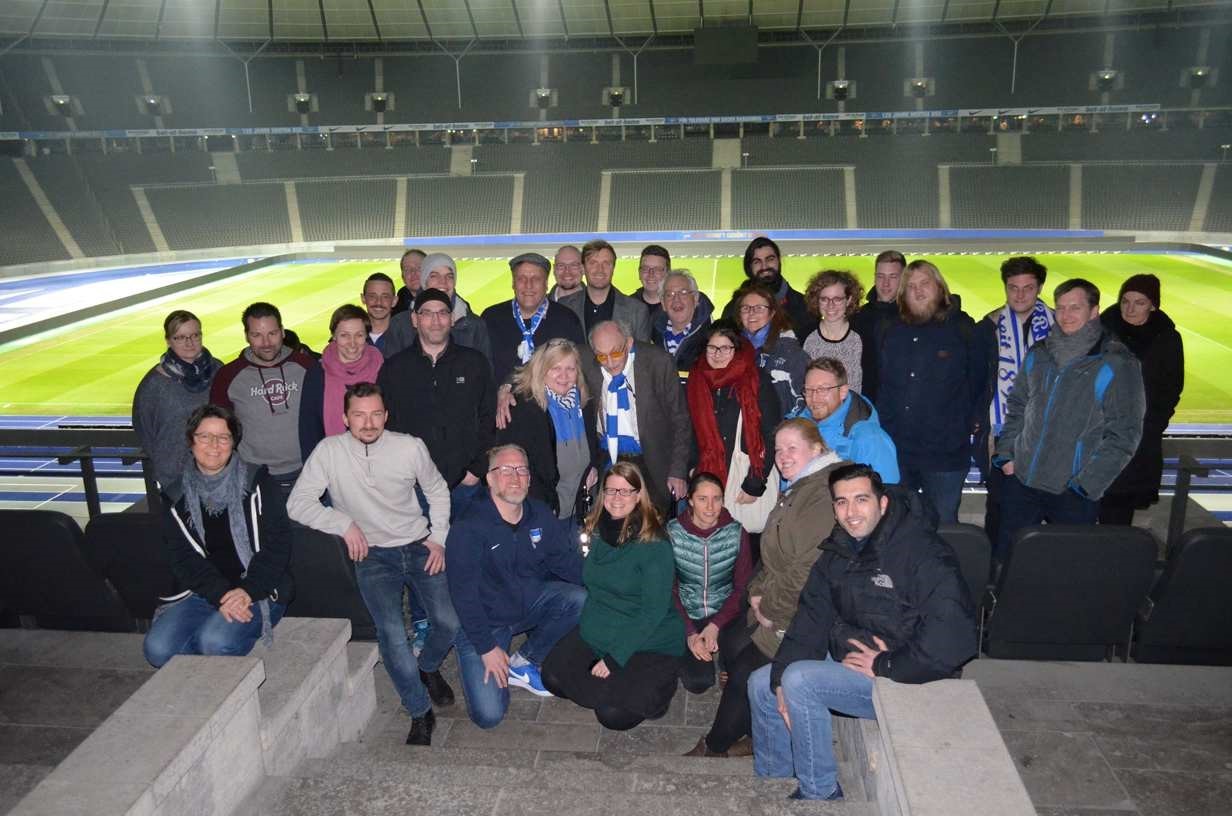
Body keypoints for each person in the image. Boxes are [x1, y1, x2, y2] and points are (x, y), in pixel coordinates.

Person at [747, 464, 977, 801]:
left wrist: (887, 665)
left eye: (860, 500)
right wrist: (779, 680)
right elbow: (810, 620)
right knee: (764, 684)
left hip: (910, 676)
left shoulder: (922, 552)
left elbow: (953, 634)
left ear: (882, 503)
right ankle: (774, 783)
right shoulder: (838, 551)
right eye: (841, 502)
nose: (851, 512)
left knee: (801, 681)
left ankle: (819, 794)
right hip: (855, 662)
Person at [287, 382, 458, 746]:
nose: (368, 423)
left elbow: (438, 490)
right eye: (359, 415)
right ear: (345, 418)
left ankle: (426, 668)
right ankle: (418, 710)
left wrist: (439, 538)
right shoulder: (328, 451)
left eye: (376, 414)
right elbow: (297, 502)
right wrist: (343, 523)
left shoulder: (410, 447)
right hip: (373, 554)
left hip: (417, 544)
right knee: (393, 636)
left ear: (386, 415)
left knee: (449, 623)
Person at [686, 419, 844, 758]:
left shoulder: (821, 493)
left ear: (817, 449)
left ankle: (715, 745)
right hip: (778, 597)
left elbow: (808, 568)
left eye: (792, 448)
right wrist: (755, 593)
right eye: (778, 450)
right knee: (731, 639)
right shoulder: (800, 486)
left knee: (745, 670)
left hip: (808, 611)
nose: (782, 457)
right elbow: (771, 553)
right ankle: (753, 719)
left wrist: (768, 607)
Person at [992, 279, 1145, 561]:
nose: (1066, 315)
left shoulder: (1117, 362)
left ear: (1095, 311)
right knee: (1008, 561)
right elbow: (1018, 405)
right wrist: (1007, 455)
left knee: (1065, 568)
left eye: (1075, 307)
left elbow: (1124, 434)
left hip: (1071, 491)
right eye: (1061, 307)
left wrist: (1085, 485)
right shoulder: (1040, 353)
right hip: (1022, 480)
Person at [445, 445, 587, 727]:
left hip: (526, 603)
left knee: (579, 598)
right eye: (505, 470)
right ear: (489, 478)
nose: (515, 477)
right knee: (490, 715)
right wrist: (486, 647)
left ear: (530, 478)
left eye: (522, 470)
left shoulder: (539, 513)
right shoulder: (469, 525)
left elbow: (567, 563)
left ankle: (525, 660)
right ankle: (489, 662)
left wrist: (612, 586)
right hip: (484, 623)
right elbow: (463, 594)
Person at [143, 405, 292, 668]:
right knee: (157, 649)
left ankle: (210, 665)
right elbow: (184, 559)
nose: (214, 445)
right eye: (204, 436)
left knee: (213, 641)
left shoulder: (258, 482)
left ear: (233, 443)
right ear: (191, 442)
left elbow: (278, 545)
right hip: (207, 591)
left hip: (261, 588)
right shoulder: (175, 496)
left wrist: (246, 591)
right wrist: (223, 595)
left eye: (223, 437)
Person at [541, 462, 683, 730]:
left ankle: (663, 683)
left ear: (639, 495)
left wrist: (615, 657)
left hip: (648, 638)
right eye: (610, 490)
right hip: (603, 628)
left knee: (613, 715)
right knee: (552, 678)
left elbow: (652, 612)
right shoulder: (596, 531)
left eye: (626, 491)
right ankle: (611, 680)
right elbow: (592, 584)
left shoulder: (655, 545)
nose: (617, 498)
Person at [875, 260, 987, 524]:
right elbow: (883, 383)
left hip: (946, 454)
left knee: (945, 525)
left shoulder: (963, 329)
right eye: (911, 286)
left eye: (925, 283)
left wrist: (965, 423)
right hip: (899, 451)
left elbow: (979, 383)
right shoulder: (890, 330)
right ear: (903, 294)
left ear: (939, 287)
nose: (918, 291)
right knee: (899, 524)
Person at [378, 289, 496, 516]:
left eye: (442, 313)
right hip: (413, 490)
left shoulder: (474, 363)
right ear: (415, 319)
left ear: (452, 319)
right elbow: (387, 425)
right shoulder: (395, 368)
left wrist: (476, 470)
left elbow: (489, 418)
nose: (435, 321)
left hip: (465, 488)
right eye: (427, 313)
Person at [978, 256, 1053, 546]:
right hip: (1001, 433)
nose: (1020, 295)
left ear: (1040, 287)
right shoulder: (989, 326)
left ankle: (1029, 565)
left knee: (1036, 506)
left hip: (1047, 435)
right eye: (1013, 288)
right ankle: (994, 568)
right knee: (998, 504)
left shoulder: (1060, 325)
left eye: (1028, 287)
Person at [1098, 274, 1184, 525]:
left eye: (1139, 302)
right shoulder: (1101, 330)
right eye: (1125, 301)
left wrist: (1150, 427)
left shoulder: (1166, 339)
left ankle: (1113, 562)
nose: (1130, 308)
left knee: (1119, 510)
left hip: (1138, 439)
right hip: (1097, 435)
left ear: (1153, 305)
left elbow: (1170, 389)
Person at [581, 320, 692, 513]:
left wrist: (678, 471)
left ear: (629, 343)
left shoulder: (658, 362)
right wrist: (508, 388)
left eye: (616, 353)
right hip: (607, 460)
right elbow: (547, 361)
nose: (609, 362)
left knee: (651, 527)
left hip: (651, 460)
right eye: (601, 356)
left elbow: (680, 419)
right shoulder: (586, 362)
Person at [210, 302, 318, 498]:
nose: (266, 343)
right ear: (246, 336)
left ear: (283, 332)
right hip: (255, 479)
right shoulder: (228, 376)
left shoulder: (308, 367)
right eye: (257, 335)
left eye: (272, 333)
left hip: (308, 473)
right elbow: (218, 430)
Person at [669, 472, 753, 698]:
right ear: (691, 501)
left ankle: (726, 660)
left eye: (717, 498)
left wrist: (715, 625)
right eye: (703, 499)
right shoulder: (672, 533)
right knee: (698, 682)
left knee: (744, 645)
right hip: (688, 612)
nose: (710, 506)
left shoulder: (736, 533)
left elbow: (742, 586)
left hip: (725, 611)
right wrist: (690, 632)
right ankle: (683, 649)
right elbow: (669, 590)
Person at [497, 339, 600, 519]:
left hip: (580, 512)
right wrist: (543, 511)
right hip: (542, 514)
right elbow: (519, 470)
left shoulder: (584, 403)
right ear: (541, 370)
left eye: (570, 369)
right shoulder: (522, 408)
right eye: (555, 368)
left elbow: (595, 446)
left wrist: (594, 467)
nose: (564, 376)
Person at [686, 323, 780, 505]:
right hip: (705, 480)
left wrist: (755, 482)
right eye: (712, 348)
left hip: (743, 477)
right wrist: (691, 468)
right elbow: (688, 430)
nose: (718, 354)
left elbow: (771, 433)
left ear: (737, 350)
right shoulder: (696, 379)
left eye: (726, 348)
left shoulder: (756, 380)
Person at [133, 309, 222, 492]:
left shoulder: (219, 371)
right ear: (168, 340)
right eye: (180, 337)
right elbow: (145, 431)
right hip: (175, 478)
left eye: (195, 335)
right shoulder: (154, 384)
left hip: (220, 473)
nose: (189, 343)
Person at [483, 252, 586, 386]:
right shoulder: (491, 318)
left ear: (546, 284)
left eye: (536, 279)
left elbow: (578, 372)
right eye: (521, 279)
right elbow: (481, 372)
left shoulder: (567, 320)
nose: (528, 285)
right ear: (513, 283)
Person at [299, 304, 384, 460]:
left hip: (379, 463)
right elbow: (308, 430)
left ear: (367, 336)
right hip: (333, 465)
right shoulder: (317, 373)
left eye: (359, 335)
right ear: (334, 336)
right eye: (344, 335)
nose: (352, 343)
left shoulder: (382, 369)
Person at [794, 358, 899, 484]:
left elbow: (885, 493)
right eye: (809, 390)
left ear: (843, 392)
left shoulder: (869, 439)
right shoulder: (795, 427)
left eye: (823, 389)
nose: (814, 398)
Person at [383, 252, 492, 363]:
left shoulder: (475, 326)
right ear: (424, 281)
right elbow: (392, 374)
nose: (443, 282)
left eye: (449, 276)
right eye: (434, 276)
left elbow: (484, 375)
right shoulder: (399, 325)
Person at [733, 281, 808, 418]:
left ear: (772, 313)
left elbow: (806, 405)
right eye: (745, 308)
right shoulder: (733, 351)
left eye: (759, 308)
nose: (751, 313)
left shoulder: (791, 353)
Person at [721, 236, 817, 339]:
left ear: (779, 260)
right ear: (749, 267)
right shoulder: (733, 310)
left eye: (770, 259)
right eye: (757, 262)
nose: (764, 267)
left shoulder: (806, 307)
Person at [559, 239, 652, 342]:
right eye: (593, 263)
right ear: (583, 268)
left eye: (606, 263)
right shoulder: (564, 306)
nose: (600, 270)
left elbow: (643, 355)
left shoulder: (637, 310)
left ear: (613, 268)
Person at [850, 249, 906, 403]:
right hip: (866, 404)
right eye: (880, 276)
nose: (885, 284)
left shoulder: (914, 317)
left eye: (893, 277)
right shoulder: (857, 317)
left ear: (904, 278)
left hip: (902, 405)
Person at [802, 270, 865, 393]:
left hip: (854, 410)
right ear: (817, 300)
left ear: (849, 300)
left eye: (837, 299)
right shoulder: (804, 337)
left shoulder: (863, 338)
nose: (830, 305)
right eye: (824, 299)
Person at [651, 270, 715, 376]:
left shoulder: (712, 336)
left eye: (683, 293)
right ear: (663, 303)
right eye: (669, 294)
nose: (676, 299)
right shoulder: (650, 335)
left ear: (695, 298)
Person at [631, 244, 671, 322]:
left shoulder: (678, 305)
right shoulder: (627, 306)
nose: (651, 274)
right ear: (639, 272)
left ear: (668, 273)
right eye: (646, 268)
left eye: (657, 269)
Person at [361, 273, 397, 354]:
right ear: (363, 299)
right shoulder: (349, 338)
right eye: (372, 296)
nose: (378, 302)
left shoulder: (406, 338)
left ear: (394, 301)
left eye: (385, 297)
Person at [392, 248, 426, 315]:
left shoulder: (448, 303)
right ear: (403, 277)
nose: (413, 272)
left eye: (419, 267)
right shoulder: (394, 311)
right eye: (407, 270)